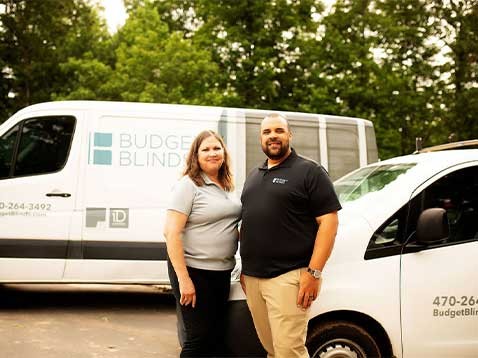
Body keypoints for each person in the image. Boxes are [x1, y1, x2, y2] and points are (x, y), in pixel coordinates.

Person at [240, 113, 341, 358]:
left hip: (288, 277)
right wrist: (244, 271)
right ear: (260, 138)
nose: (273, 136)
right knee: (272, 350)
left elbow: (329, 222)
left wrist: (314, 272)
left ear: (289, 135)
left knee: (289, 351)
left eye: (278, 131)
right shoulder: (254, 175)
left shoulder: (309, 171)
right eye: (267, 132)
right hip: (253, 279)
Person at [163, 130, 241, 357]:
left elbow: (228, 226)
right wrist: (184, 279)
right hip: (193, 271)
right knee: (198, 340)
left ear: (224, 153)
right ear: (195, 156)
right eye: (205, 149)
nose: (212, 153)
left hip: (222, 270)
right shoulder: (188, 185)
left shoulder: (228, 186)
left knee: (216, 337)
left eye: (216, 148)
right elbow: (171, 232)